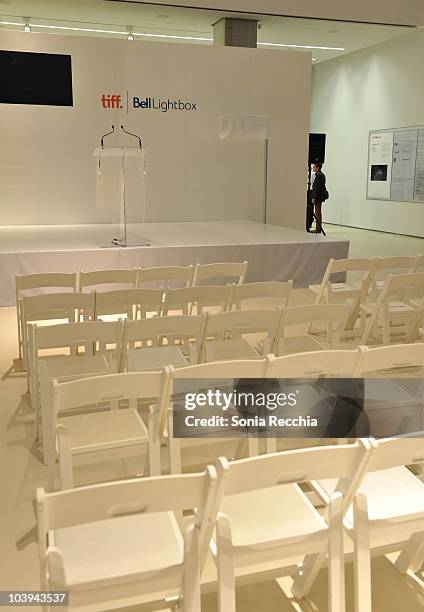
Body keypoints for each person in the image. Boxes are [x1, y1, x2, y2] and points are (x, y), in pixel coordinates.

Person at [311, 163, 329, 233]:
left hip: (318, 197)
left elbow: (317, 188)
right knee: (318, 213)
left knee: (317, 213)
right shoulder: (321, 175)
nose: (313, 168)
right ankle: (318, 228)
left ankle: (318, 229)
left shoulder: (318, 176)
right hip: (320, 196)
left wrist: (314, 197)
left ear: (318, 168)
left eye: (314, 167)